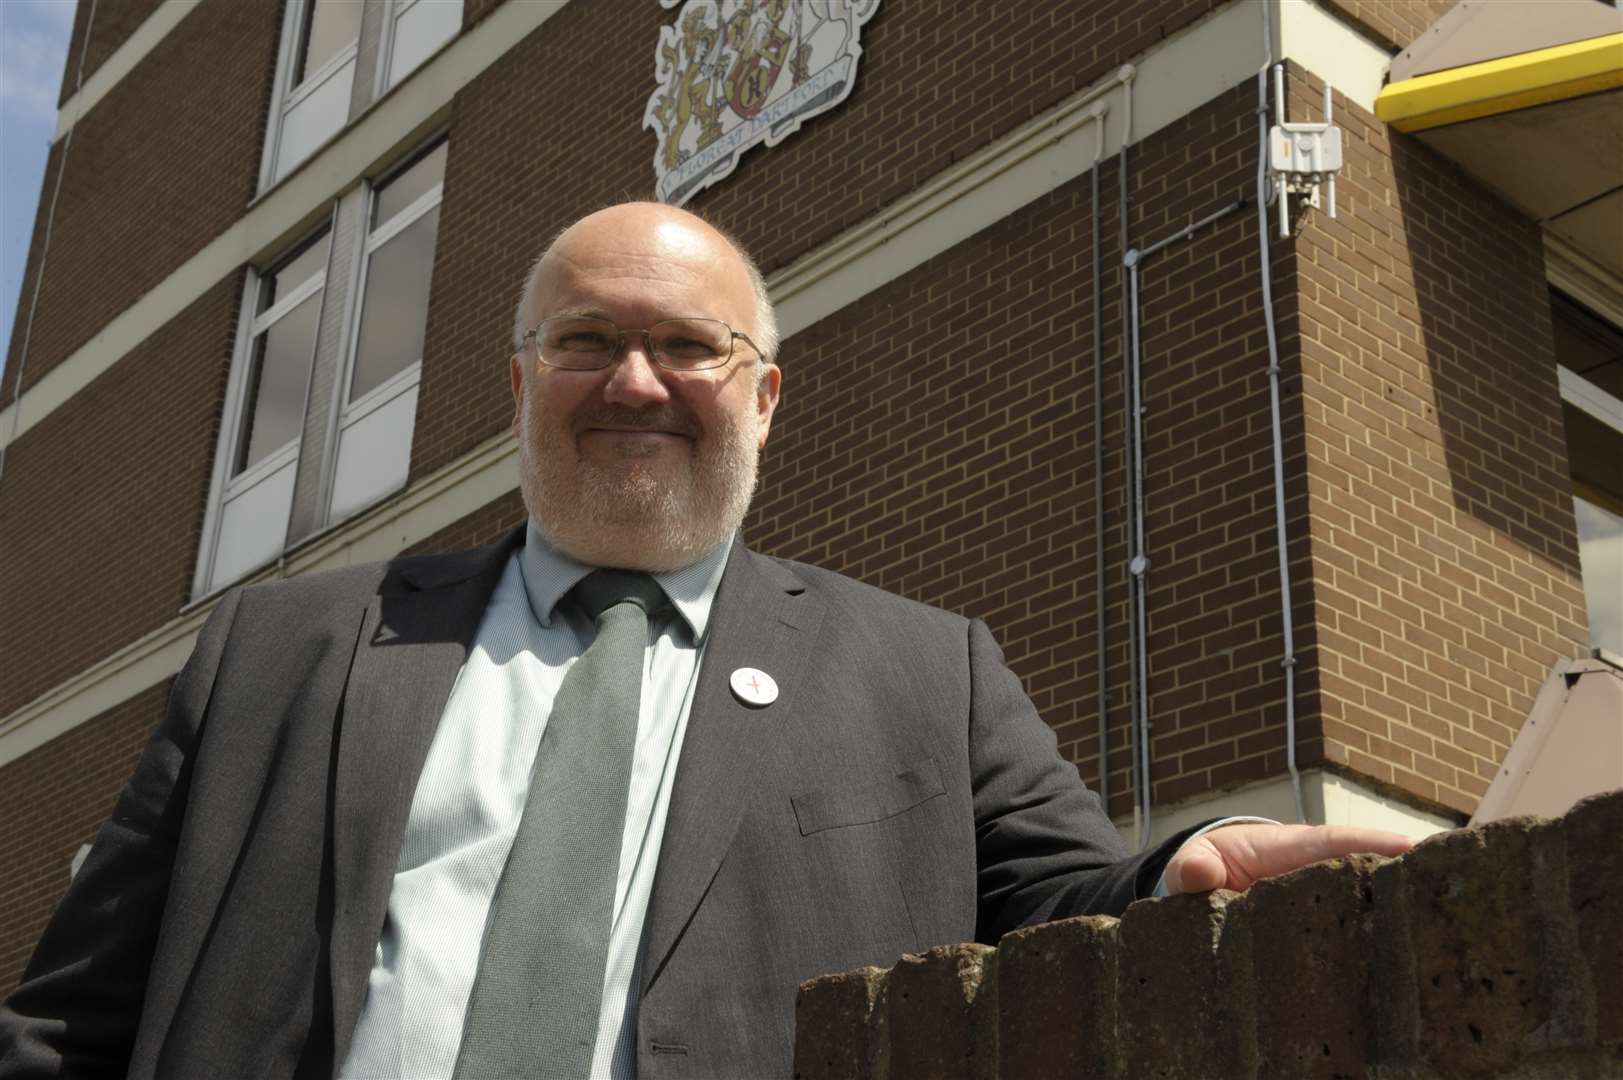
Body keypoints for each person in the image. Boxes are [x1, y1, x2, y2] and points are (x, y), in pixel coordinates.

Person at [0, 203, 1410, 1079]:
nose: (633, 381)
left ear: (767, 394)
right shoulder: (284, 647)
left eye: (689, 346)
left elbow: (1064, 915)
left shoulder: (931, 671)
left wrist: (1181, 874)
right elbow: (69, 1027)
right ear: (518, 384)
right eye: (585, 340)